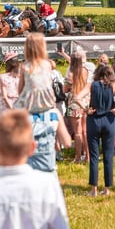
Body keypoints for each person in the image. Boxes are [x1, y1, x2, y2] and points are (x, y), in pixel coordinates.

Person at [16, 32, 71, 173]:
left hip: (29, 105)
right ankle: (55, 149)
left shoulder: (25, 66)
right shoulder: (47, 65)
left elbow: (20, 89)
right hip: (46, 104)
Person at [86, 64, 115, 196]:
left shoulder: (92, 85)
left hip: (94, 120)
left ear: (97, 73)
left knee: (94, 156)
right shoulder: (113, 86)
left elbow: (77, 97)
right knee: (108, 155)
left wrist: (86, 109)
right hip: (109, 120)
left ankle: (93, 189)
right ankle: (107, 188)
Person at [63, 49, 91, 164]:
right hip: (85, 100)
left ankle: (78, 157)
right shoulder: (85, 70)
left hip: (75, 102)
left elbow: (65, 89)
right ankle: (88, 156)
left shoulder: (70, 74)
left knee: (77, 132)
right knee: (85, 131)